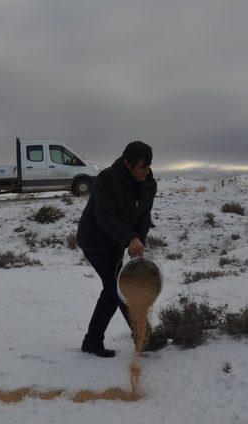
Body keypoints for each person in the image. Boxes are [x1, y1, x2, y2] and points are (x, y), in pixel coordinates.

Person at [76, 141, 167, 358]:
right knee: (121, 288)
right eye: (142, 167)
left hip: (117, 242)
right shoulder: (107, 179)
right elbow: (105, 215)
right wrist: (130, 238)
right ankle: (144, 338)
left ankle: (92, 341)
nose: (146, 171)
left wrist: (138, 243)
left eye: (148, 166)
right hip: (95, 241)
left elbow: (144, 217)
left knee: (112, 290)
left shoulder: (148, 184)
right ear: (127, 163)